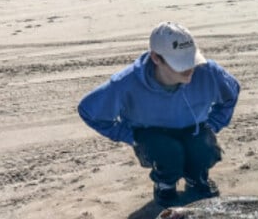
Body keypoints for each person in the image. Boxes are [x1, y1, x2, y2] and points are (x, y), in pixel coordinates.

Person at [78, 22, 240, 206]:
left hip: (194, 129)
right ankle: (165, 185)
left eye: (191, 59)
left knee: (203, 149)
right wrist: (131, 136)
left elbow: (231, 94)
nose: (190, 69)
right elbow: (89, 111)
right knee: (169, 153)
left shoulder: (209, 72)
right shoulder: (126, 83)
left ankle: (196, 180)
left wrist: (214, 124)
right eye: (180, 63)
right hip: (152, 135)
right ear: (156, 58)